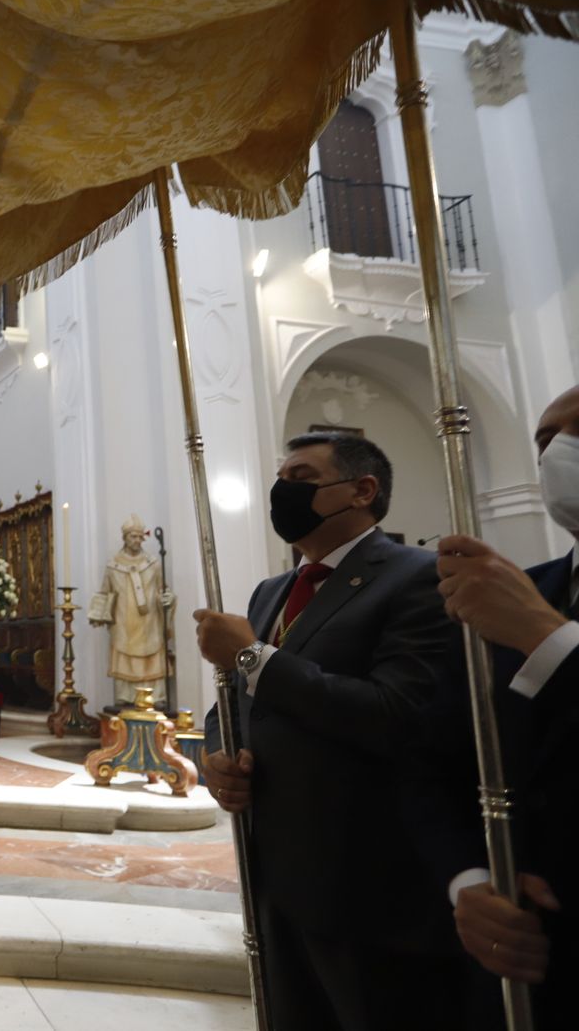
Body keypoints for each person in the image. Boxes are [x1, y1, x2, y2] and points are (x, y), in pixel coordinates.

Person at [196, 432, 465, 1031]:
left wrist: (251, 658)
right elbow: (231, 707)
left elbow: (395, 713)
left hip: (365, 878)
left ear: (362, 490)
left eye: (300, 477)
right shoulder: (272, 591)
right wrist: (218, 758)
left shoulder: (417, 577)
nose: (281, 491)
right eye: (280, 478)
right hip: (274, 867)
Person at [419, 382, 579, 1024]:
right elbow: (432, 761)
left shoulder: (522, 606)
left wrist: (550, 640)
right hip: (508, 963)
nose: (559, 452)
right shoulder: (522, 589)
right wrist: (470, 879)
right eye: (545, 440)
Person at [88, 513, 176, 708]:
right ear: (125, 538)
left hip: (150, 622)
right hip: (123, 622)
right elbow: (105, 592)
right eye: (132, 536)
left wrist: (168, 599)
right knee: (123, 654)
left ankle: (156, 695)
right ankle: (125, 695)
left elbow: (164, 589)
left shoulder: (153, 563)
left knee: (152, 652)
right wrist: (98, 613)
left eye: (139, 537)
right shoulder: (113, 565)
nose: (137, 540)